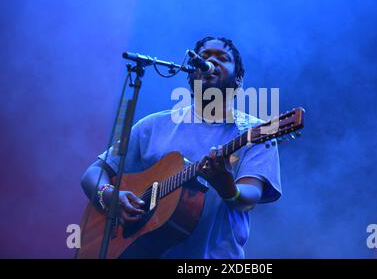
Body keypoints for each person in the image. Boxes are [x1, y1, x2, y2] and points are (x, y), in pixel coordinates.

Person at [81, 36, 281, 258]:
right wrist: (109, 195)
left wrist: (228, 188)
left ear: (239, 78)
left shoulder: (255, 132)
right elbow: (93, 174)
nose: (211, 62)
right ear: (192, 71)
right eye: (203, 57)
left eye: (222, 58)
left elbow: (248, 199)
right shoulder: (151, 126)